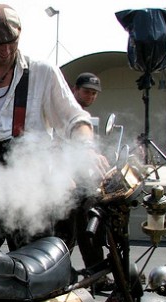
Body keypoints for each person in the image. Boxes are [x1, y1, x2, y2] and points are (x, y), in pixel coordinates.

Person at [0, 4, 108, 251]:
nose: (7, 49)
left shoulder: (43, 73)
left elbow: (76, 119)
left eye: (12, 41)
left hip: (32, 190)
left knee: (34, 270)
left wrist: (86, 148)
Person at [72, 72, 113, 290]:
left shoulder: (84, 117)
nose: (91, 96)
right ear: (75, 89)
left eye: (94, 93)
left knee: (90, 229)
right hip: (63, 182)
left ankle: (97, 276)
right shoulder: (65, 113)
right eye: (87, 91)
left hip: (83, 181)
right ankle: (55, 278)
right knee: (62, 236)